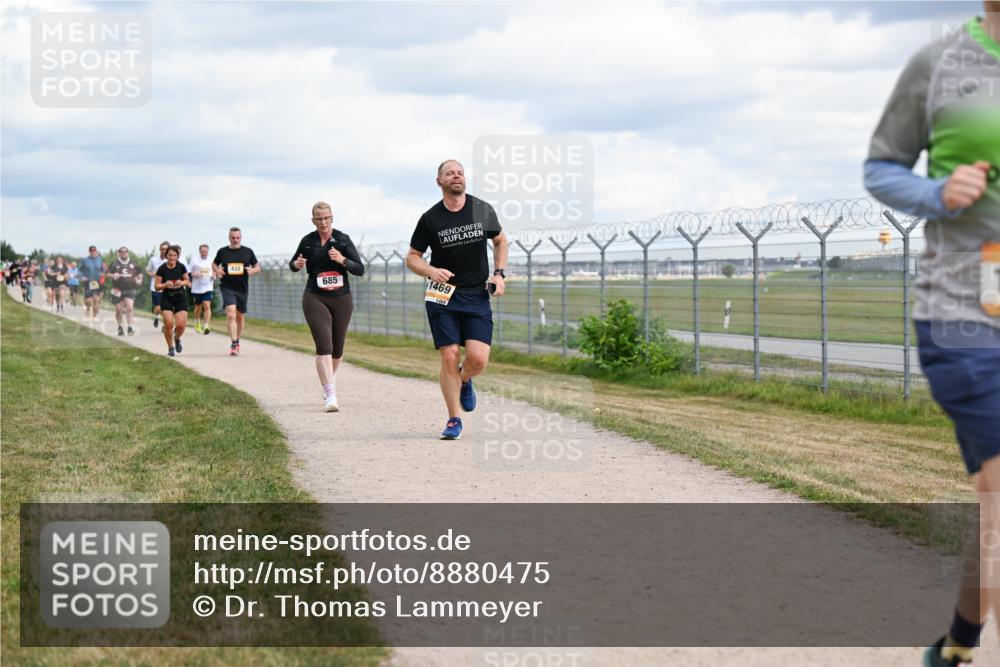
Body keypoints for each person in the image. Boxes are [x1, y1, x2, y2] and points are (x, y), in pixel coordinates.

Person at [864, 5, 999, 666]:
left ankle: (959, 642)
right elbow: (882, 167)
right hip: (967, 312)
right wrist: (940, 191)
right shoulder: (939, 62)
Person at [405, 159, 508, 440]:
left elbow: (500, 240)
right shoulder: (430, 218)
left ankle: (464, 379)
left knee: (478, 359)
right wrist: (430, 270)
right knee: (449, 355)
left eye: (460, 173)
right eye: (450, 173)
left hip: (475, 293)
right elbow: (412, 257)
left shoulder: (481, 209)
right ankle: (453, 419)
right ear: (439, 181)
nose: (457, 176)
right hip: (441, 295)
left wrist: (499, 274)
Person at [289, 201, 364, 411]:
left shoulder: (342, 239)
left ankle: (328, 380)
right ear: (313, 220)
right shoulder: (307, 241)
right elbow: (293, 264)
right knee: (324, 346)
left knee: (337, 349)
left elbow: (360, 269)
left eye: (326, 218)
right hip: (315, 297)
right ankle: (331, 394)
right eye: (319, 219)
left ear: (332, 218)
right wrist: (296, 265)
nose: (323, 222)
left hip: (341, 298)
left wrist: (343, 260)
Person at [213, 227, 260, 356]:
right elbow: (214, 264)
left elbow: (257, 267)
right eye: (233, 238)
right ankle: (234, 342)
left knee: (240, 315)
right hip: (227, 286)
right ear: (229, 238)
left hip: (242, 288)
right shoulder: (222, 252)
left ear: (241, 238)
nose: (235, 240)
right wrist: (217, 271)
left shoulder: (248, 252)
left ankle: (237, 341)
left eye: (237, 238)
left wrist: (252, 270)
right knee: (231, 313)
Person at [154, 245, 191, 357]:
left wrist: (182, 282)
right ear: (166, 256)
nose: (172, 258)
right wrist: (165, 284)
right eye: (170, 255)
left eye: (174, 255)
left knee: (181, 325)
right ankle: (171, 347)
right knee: (169, 324)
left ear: (177, 256)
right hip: (167, 298)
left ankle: (177, 338)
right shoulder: (161, 269)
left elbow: (187, 281)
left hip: (180, 298)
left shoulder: (181, 267)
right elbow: (156, 286)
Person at [106, 246, 143, 336]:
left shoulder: (133, 263)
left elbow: (140, 273)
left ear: (127, 252)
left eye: (125, 252)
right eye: (121, 252)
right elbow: (107, 274)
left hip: (130, 289)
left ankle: (130, 327)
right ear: (119, 253)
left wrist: (139, 280)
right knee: (119, 309)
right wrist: (112, 275)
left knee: (130, 307)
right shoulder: (114, 263)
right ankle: (120, 327)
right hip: (117, 289)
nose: (123, 253)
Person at [188, 244, 215, 335]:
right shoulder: (194, 261)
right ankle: (197, 322)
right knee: (198, 307)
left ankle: (206, 325)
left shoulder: (212, 260)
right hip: (197, 288)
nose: (204, 253)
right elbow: (189, 272)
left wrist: (214, 275)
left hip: (208, 286)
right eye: (203, 251)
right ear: (199, 252)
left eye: (206, 251)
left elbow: (215, 270)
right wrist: (195, 274)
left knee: (206, 305)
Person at [146, 241, 170, 329]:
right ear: (160, 249)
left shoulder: (170, 260)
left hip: (167, 287)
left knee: (167, 308)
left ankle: (165, 325)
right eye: (162, 249)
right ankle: (156, 317)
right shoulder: (153, 260)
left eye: (166, 249)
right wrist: (154, 274)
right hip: (155, 287)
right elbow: (147, 270)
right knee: (159, 307)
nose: (164, 251)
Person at [79, 245, 106, 322]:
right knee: (88, 301)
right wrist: (82, 276)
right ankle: (88, 308)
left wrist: (102, 273)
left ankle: (94, 316)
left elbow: (102, 269)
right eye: (91, 251)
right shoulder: (84, 260)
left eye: (94, 251)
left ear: (96, 251)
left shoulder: (99, 260)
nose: (93, 253)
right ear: (89, 252)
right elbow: (80, 270)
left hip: (96, 282)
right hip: (87, 281)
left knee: (96, 299)